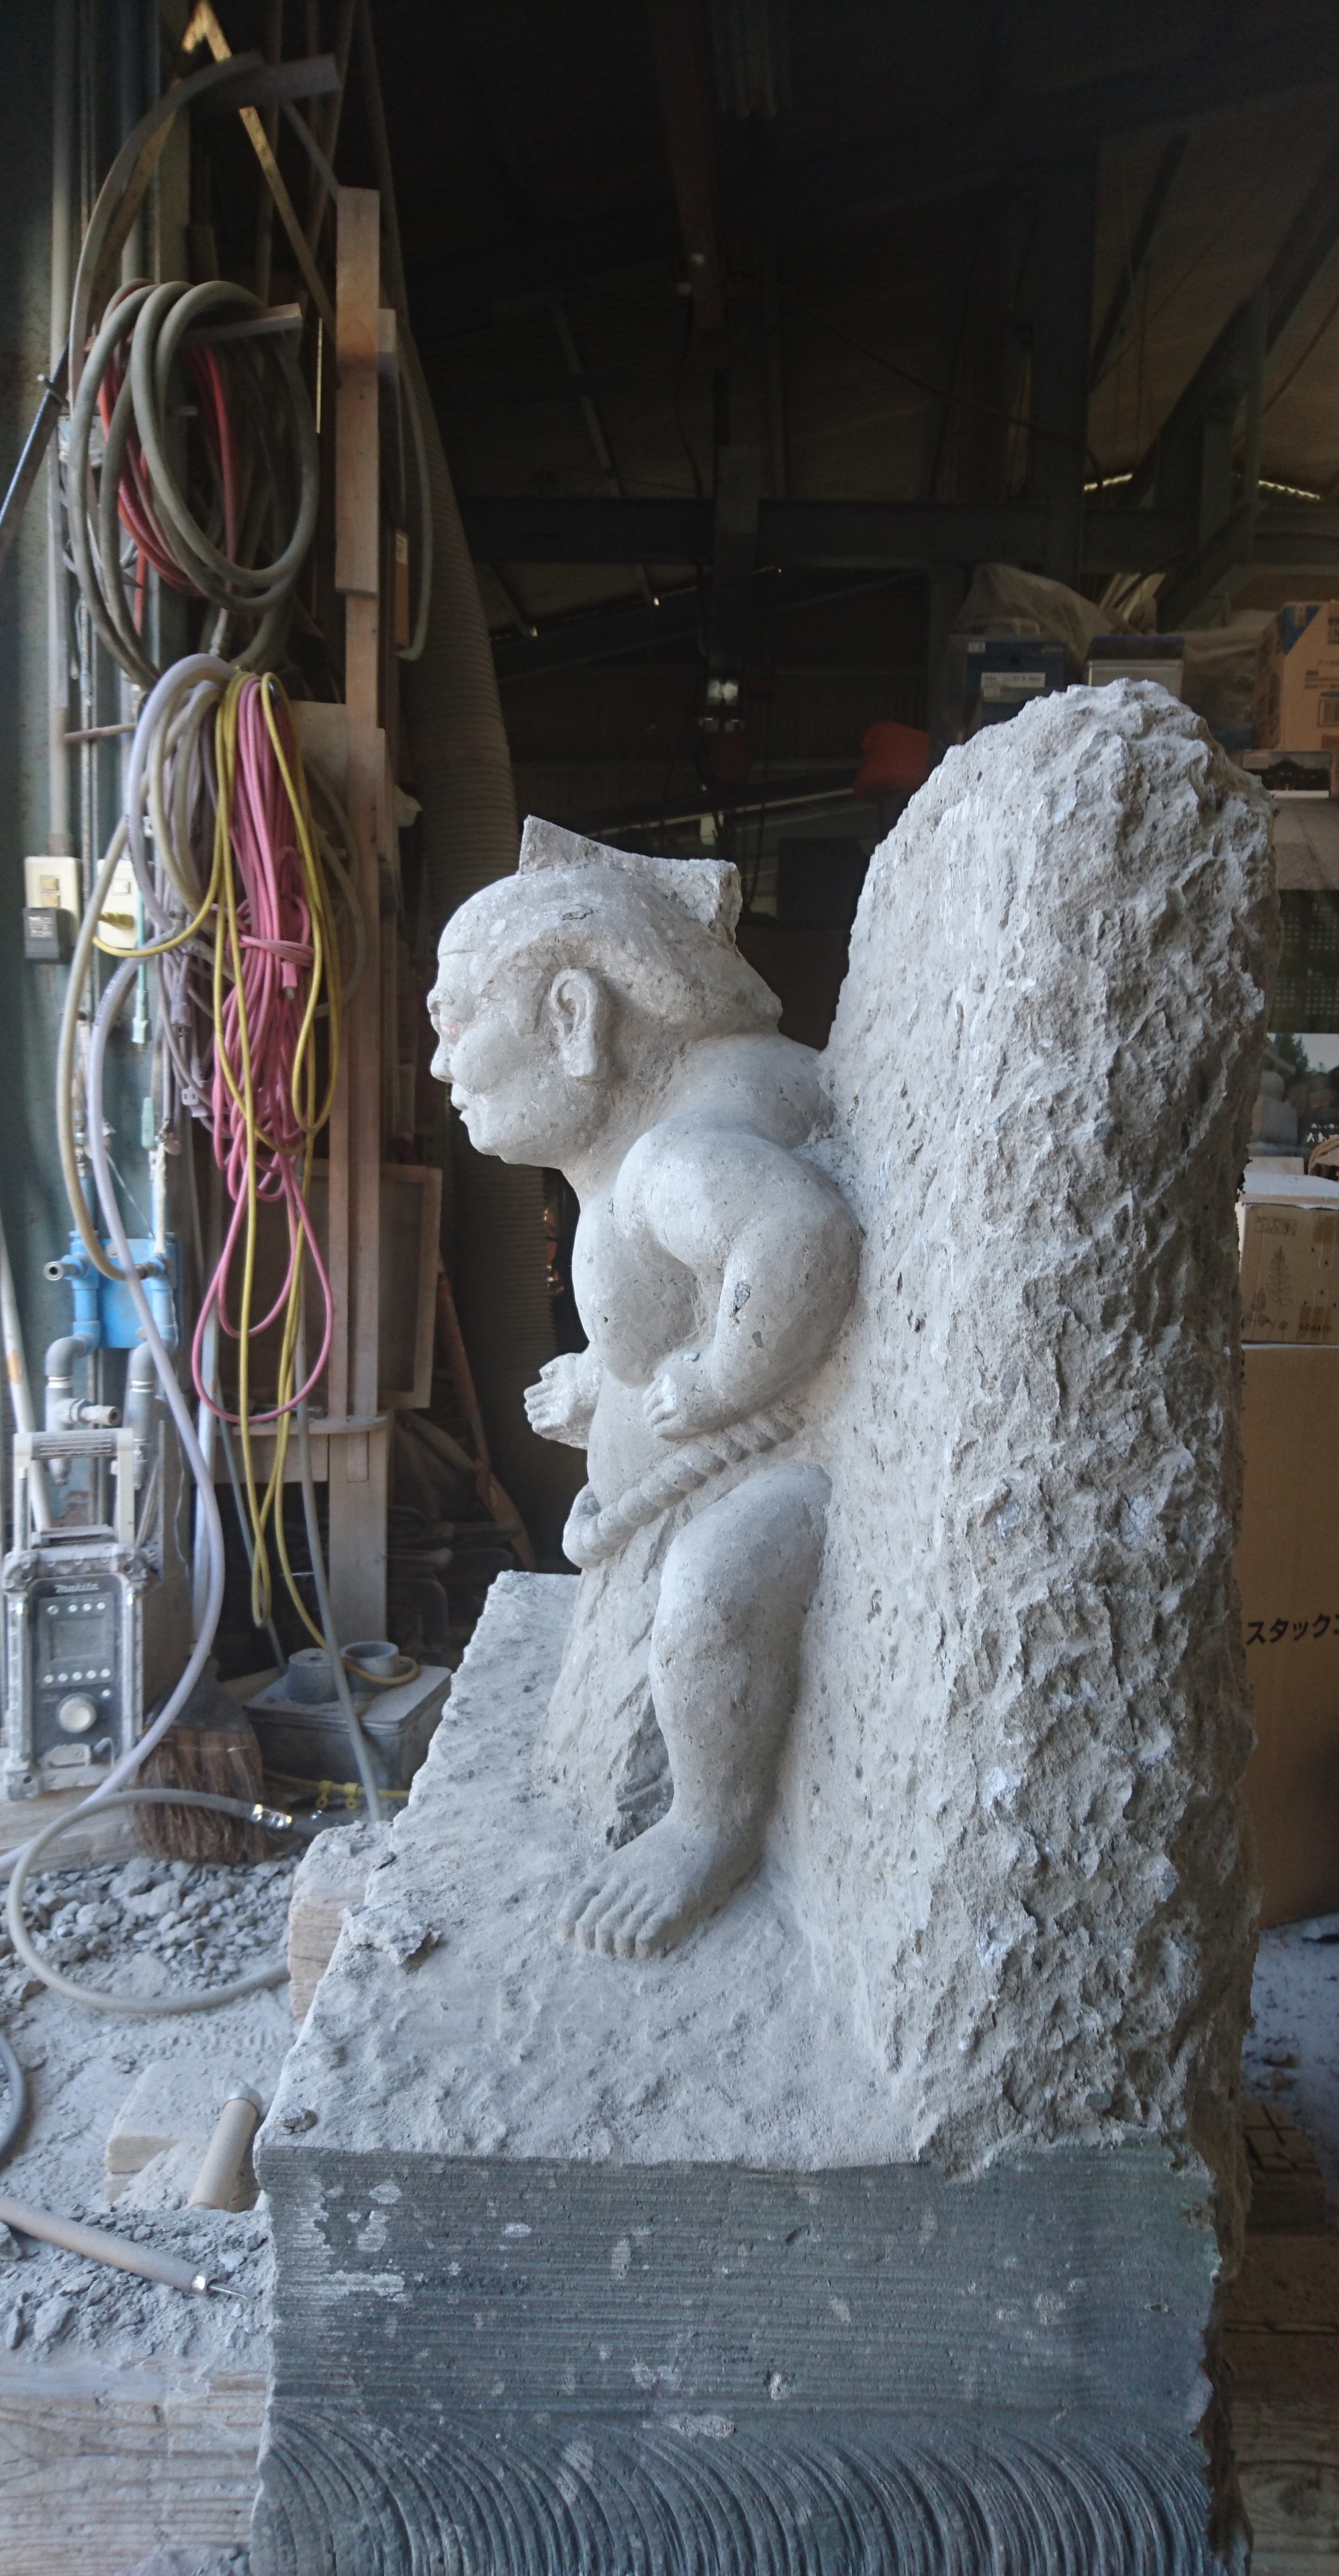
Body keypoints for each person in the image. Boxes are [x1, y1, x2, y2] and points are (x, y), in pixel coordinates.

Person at [428, 822, 858, 1957]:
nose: (441, 1066)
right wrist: (605, 1385)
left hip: (781, 1483)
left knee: (709, 1601)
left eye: (454, 1023)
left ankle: (710, 1825)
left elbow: (800, 1240)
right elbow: (678, 1300)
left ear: (573, 1015)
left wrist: (717, 1380)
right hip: (698, 1472)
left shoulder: (672, 1156)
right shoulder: (650, 1140)